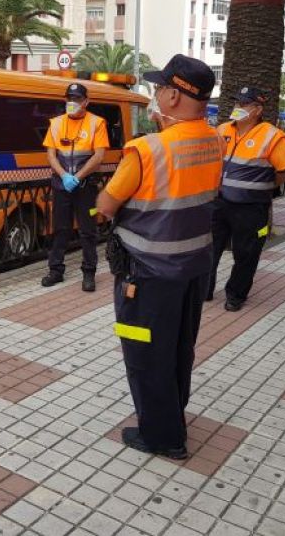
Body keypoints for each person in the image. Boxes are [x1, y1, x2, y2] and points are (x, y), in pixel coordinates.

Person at [96, 54, 223, 459]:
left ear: (171, 96)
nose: (154, 95)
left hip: (147, 276)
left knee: (146, 353)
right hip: (194, 268)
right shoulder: (215, 140)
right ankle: (173, 412)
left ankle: (163, 437)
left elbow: (106, 206)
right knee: (178, 348)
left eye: (157, 89)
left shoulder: (145, 150)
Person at [208, 87, 285, 312]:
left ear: (256, 110)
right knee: (208, 248)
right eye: (236, 103)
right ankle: (204, 290)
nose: (237, 108)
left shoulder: (272, 136)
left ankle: (236, 295)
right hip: (218, 203)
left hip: (251, 208)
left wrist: (263, 186)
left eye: (243, 104)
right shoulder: (222, 130)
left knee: (246, 253)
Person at [41, 83, 110, 292]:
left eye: (77, 100)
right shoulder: (55, 123)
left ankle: (89, 273)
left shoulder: (96, 123)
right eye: (69, 99)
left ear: (86, 102)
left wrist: (78, 177)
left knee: (87, 231)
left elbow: (98, 156)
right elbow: (51, 155)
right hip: (61, 186)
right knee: (60, 229)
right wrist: (64, 176)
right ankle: (56, 270)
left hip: (86, 187)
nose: (72, 103)